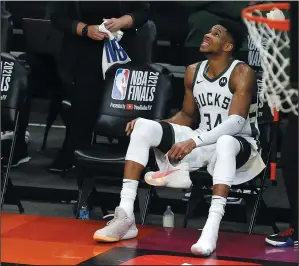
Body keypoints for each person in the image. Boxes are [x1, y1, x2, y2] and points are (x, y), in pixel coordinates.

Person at [93, 19, 265, 257]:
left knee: (225, 141)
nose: (207, 34)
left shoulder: (242, 71)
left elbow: (235, 123)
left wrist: (193, 142)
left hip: (241, 147)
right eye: (209, 30)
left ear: (228, 46)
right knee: (143, 126)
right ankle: (126, 216)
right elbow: (186, 115)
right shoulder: (193, 71)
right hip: (203, 142)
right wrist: (156, 126)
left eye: (215, 33)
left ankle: (211, 228)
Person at [48, 2, 150, 172]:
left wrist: (122, 21)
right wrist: (85, 29)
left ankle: (126, 165)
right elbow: (56, 16)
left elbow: (143, 12)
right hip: (83, 52)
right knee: (83, 108)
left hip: (122, 51)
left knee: (122, 107)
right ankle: (78, 162)